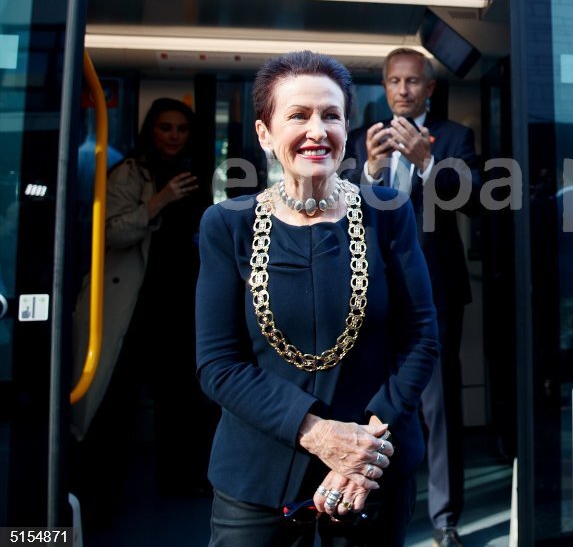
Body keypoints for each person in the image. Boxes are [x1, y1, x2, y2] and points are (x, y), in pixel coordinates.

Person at [195, 50, 439, 546]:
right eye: (298, 115)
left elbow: (420, 339)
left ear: (347, 128)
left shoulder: (387, 212)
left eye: (331, 115)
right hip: (257, 480)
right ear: (265, 134)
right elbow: (218, 365)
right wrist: (321, 435)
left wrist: (362, 450)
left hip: (372, 473)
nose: (316, 130)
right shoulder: (228, 225)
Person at [344, 48, 480, 547]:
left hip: (436, 292)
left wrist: (428, 162)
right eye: (394, 81)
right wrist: (372, 173)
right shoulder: (363, 139)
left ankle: (445, 520)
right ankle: (373, 502)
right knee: (373, 402)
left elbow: (478, 198)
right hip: (373, 296)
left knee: (439, 409)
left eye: (413, 82)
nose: (403, 90)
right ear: (384, 86)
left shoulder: (454, 137)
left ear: (430, 89)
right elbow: (341, 210)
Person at [71, 97, 214, 518]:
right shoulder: (130, 172)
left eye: (181, 129)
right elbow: (110, 233)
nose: (173, 136)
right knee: (116, 400)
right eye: (165, 128)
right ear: (150, 130)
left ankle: (182, 478)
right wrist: (160, 200)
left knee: (181, 399)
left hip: (182, 302)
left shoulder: (200, 172)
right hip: (133, 303)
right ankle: (99, 493)